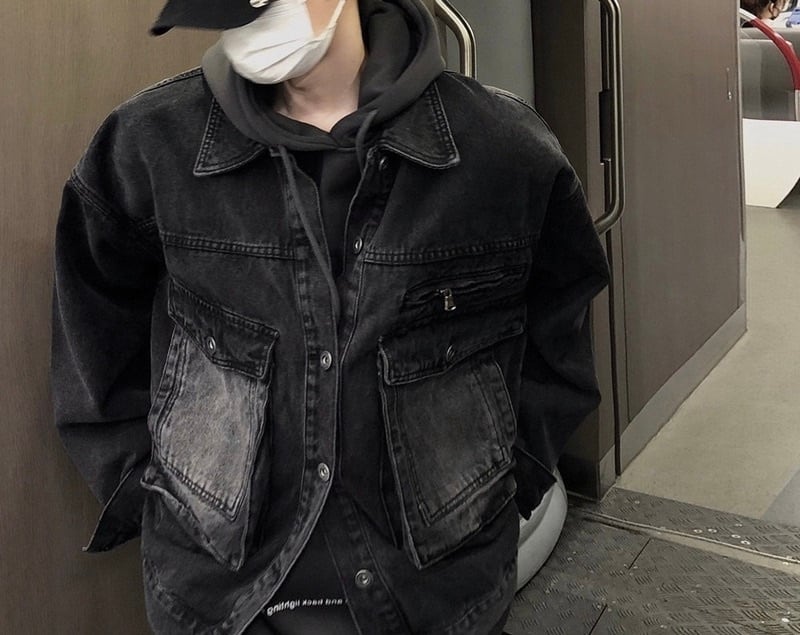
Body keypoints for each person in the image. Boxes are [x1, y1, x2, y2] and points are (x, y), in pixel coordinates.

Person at [50, 0, 609, 633]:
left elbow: (560, 319)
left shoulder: (501, 151)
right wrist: (145, 483)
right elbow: (94, 310)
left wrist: (511, 478)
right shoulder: (150, 144)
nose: (248, 24)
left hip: (436, 593)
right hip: (215, 594)